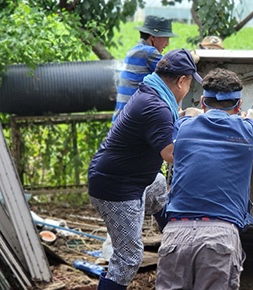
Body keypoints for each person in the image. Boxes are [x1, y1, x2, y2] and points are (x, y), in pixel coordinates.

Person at [87, 49, 202, 290]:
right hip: (117, 188)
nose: (189, 90)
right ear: (182, 81)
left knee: (158, 185)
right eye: (190, 83)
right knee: (129, 257)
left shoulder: (151, 91)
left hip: (132, 177)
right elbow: (170, 154)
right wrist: (206, 147)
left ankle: (173, 238)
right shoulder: (157, 107)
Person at [155, 68, 253, 290]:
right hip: (220, 235)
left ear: (202, 102)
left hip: (176, 234)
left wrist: (190, 114)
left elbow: (179, 124)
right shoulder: (250, 132)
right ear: (238, 105)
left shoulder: (183, 128)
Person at [113, 16, 177, 123]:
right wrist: (192, 57)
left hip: (121, 119)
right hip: (131, 120)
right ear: (153, 37)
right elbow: (175, 69)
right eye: (165, 38)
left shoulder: (135, 50)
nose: (167, 44)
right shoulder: (149, 52)